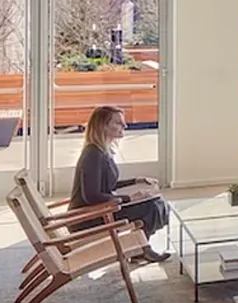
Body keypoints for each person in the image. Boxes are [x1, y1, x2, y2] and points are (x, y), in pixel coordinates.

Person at [70, 105, 170, 262]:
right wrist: (129, 199)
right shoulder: (93, 155)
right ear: (103, 126)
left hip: (99, 210)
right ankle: (141, 249)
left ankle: (141, 248)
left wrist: (136, 181)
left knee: (155, 201)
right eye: (118, 123)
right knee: (151, 206)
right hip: (90, 217)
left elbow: (106, 185)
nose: (125, 126)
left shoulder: (101, 151)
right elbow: (92, 196)